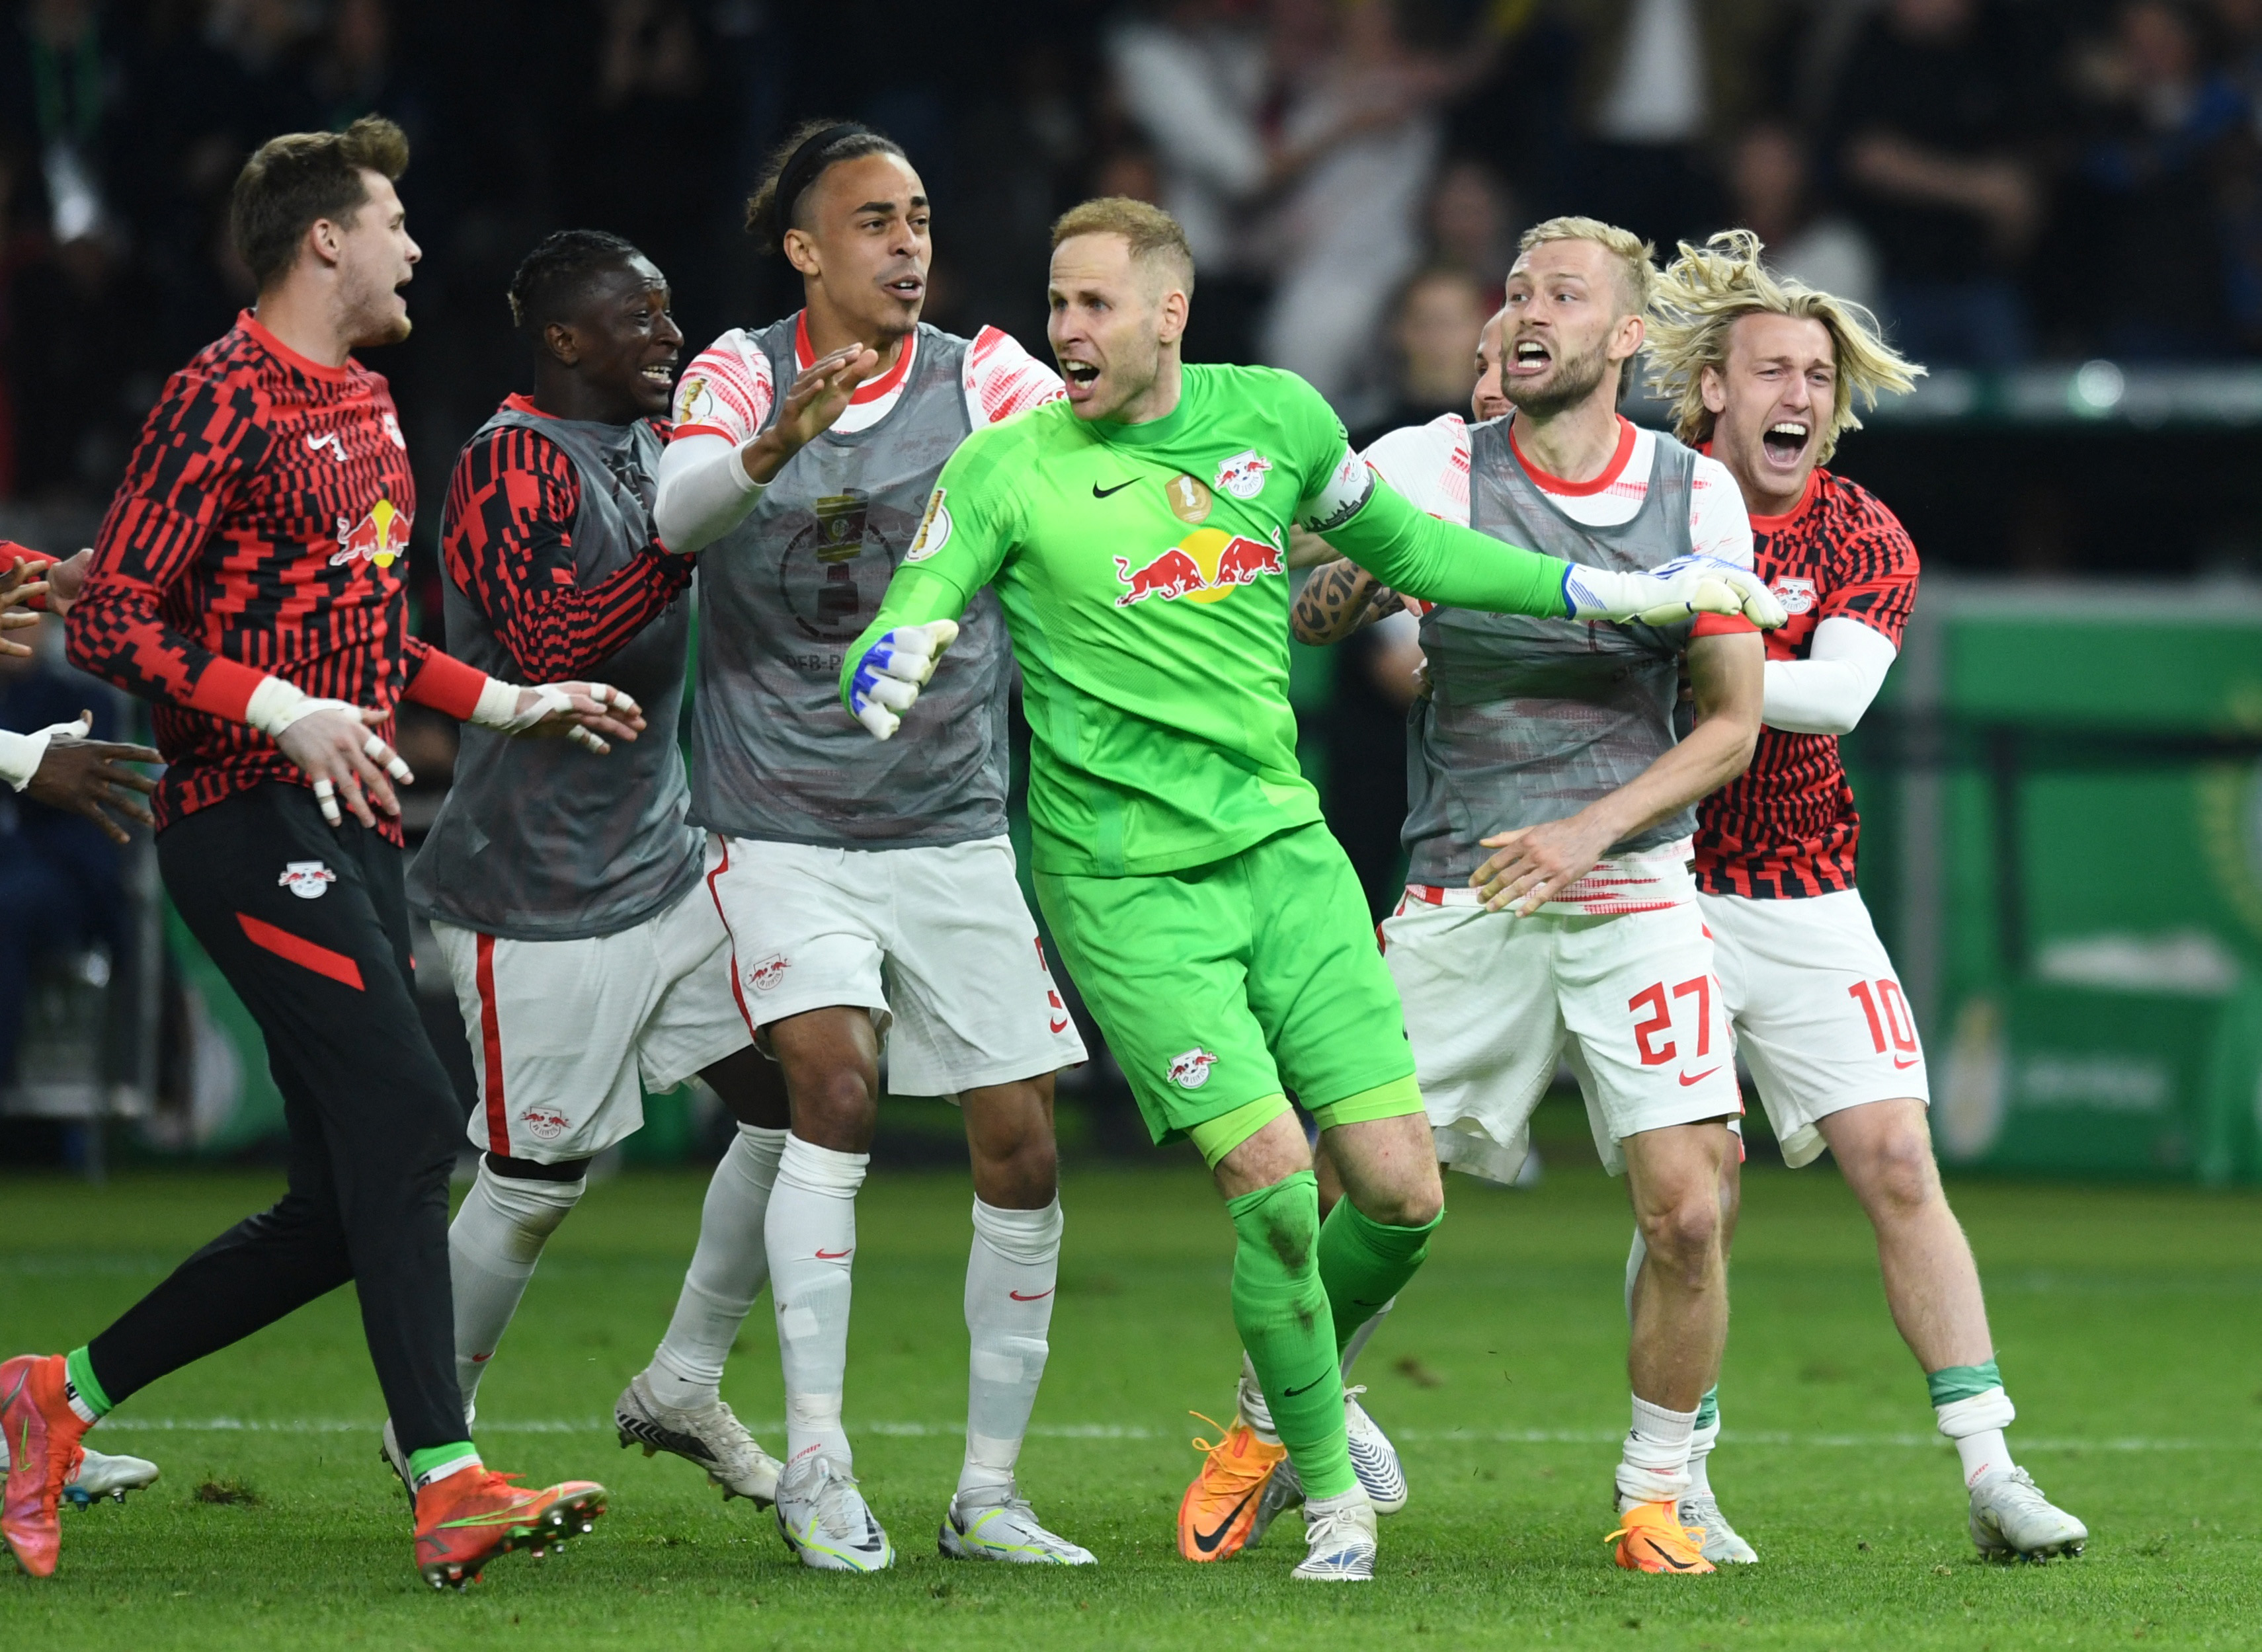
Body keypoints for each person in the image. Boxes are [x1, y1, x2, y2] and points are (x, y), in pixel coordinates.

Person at [838, 195, 1781, 1583]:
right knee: (1282, 1187)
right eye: (1055, 304)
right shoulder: (1006, 466)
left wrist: (1608, 594)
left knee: (1404, 1196)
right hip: (1134, 883)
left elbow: (1413, 555)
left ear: (1168, 313)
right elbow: (918, 596)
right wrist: (896, 644)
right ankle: (1332, 1494)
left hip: (1291, 856)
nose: (1063, 332)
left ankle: (1437, 1439)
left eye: (1093, 304)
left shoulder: (1275, 417)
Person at [1, 117, 639, 1590]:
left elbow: (363, 633)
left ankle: (53, 1396)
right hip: (240, 817)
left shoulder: (366, 400)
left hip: (350, 824)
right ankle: (448, 1481)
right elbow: (115, 623)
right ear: (325, 238)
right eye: (392, 220)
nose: (415, 245)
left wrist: (514, 700)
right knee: (412, 1124)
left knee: (342, 1201)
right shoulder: (217, 397)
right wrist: (278, 710)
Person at [1287, 216, 1771, 1576]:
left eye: (1562, 292)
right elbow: (1302, 598)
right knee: (1353, 1183)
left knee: (1690, 1206)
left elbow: (1730, 722)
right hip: (1463, 879)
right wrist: (1369, 569)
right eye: (1515, 291)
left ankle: (1658, 1493)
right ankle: (1286, 1417)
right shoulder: (1430, 463)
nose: (1526, 310)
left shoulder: (1694, 491)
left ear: (1624, 336)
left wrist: (1588, 831)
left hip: (1631, 883)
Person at [648, 120, 1092, 1572]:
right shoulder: (735, 372)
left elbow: (1084, 472)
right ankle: (818, 1463)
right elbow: (679, 515)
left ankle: (988, 1494)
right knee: (832, 1086)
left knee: (1021, 1144)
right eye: (872, 222)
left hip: (951, 824)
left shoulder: (988, 376)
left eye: (918, 219)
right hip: (777, 823)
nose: (907, 246)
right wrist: (776, 441)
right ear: (802, 249)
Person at [1643, 229, 2086, 1560]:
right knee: (1692, 1186)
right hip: (1650, 879)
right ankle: (1676, 1477)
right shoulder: (1646, 502)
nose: (1799, 395)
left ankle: (1992, 1470)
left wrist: (1660, 638)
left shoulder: (1858, 532)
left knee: (1896, 1157)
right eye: (1771, 369)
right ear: (1712, 389)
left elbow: (1835, 697)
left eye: (1818, 377)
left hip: (1800, 885)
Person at [381, 229, 809, 1513]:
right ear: (564, 338)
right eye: (641, 317)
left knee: (807, 1094)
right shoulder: (509, 461)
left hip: (664, 861)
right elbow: (543, 645)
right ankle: (429, 1432)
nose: (669, 337)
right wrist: (689, 539)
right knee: (533, 1184)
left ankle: (682, 1381)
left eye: (671, 313)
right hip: (535, 890)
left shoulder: (653, 444)